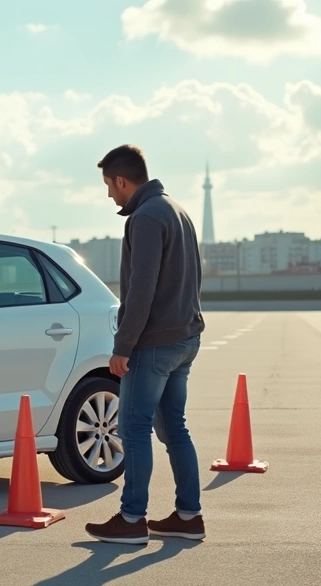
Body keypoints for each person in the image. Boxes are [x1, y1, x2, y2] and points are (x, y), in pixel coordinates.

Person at [84, 144, 207, 545]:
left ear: (122, 180)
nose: (109, 195)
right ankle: (189, 516)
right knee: (175, 427)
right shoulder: (177, 210)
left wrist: (123, 346)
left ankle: (132, 518)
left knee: (133, 428)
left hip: (154, 343)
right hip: (184, 337)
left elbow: (141, 289)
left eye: (108, 185)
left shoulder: (146, 217)